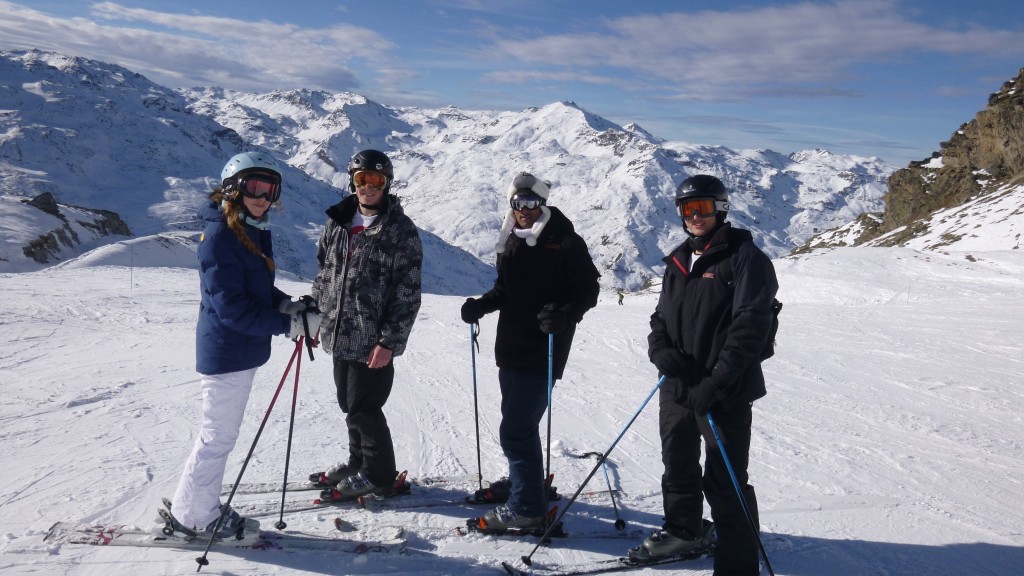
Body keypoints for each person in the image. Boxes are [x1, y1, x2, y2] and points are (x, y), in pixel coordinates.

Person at [166, 151, 321, 540]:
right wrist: (287, 324)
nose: (263, 196)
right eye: (255, 186)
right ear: (234, 187)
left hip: (238, 350)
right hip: (226, 350)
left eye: (270, 190)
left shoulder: (247, 228)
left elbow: (254, 288)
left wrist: (286, 303)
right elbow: (231, 308)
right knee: (217, 435)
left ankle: (195, 504)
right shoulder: (221, 235)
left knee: (218, 433)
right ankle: (195, 516)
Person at [638, 174, 778, 576]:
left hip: (725, 391)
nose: (695, 216)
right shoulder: (679, 259)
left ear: (721, 209)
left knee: (726, 481)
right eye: (687, 209)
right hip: (678, 386)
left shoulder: (746, 259)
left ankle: (737, 567)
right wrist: (660, 351)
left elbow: (751, 327)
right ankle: (684, 529)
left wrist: (717, 383)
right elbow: (660, 317)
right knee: (677, 462)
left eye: (702, 208)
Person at [460, 171, 600, 530]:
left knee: (516, 430)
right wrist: (481, 305)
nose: (524, 209)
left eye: (531, 202)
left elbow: (587, 290)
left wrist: (565, 315)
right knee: (520, 424)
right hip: (511, 347)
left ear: (542, 203)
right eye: (518, 203)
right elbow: (505, 289)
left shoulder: (566, 242)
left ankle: (527, 508)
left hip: (545, 348)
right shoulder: (511, 239)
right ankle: (526, 484)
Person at [309, 149, 423, 499]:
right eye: (362, 179)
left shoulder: (400, 231)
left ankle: (379, 474)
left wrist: (389, 341)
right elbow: (324, 274)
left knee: (365, 408)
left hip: (372, 340)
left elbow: (408, 292)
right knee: (349, 404)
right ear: (352, 182)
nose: (368, 187)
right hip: (337, 333)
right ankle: (358, 461)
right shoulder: (338, 223)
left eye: (376, 180)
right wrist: (315, 317)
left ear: (387, 184)